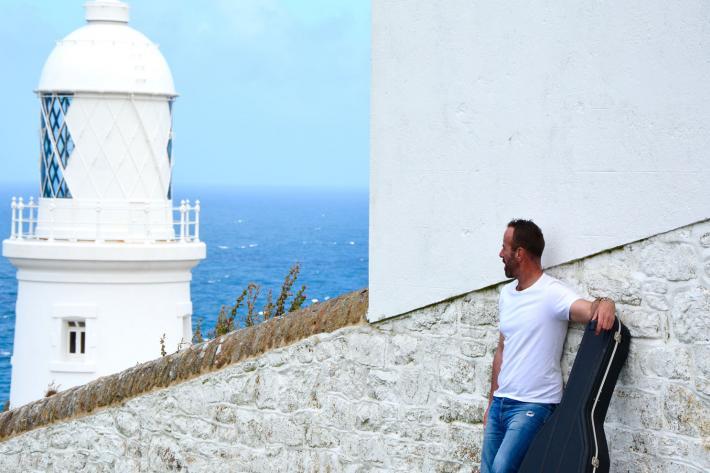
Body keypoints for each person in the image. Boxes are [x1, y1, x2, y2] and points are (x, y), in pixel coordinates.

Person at [481, 219, 616, 473]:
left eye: (504, 247)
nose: (500, 254)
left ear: (519, 253)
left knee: (501, 470)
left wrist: (606, 302)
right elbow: (502, 350)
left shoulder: (551, 292)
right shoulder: (506, 295)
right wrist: (491, 402)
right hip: (501, 403)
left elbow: (589, 310)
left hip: (533, 405)